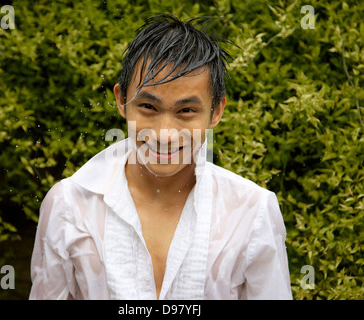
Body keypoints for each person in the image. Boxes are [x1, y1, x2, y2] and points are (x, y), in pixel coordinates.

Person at [29, 14, 292, 300]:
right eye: (148, 107)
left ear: (216, 112)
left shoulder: (252, 212)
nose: (165, 134)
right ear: (121, 100)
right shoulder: (68, 206)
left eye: (186, 111)